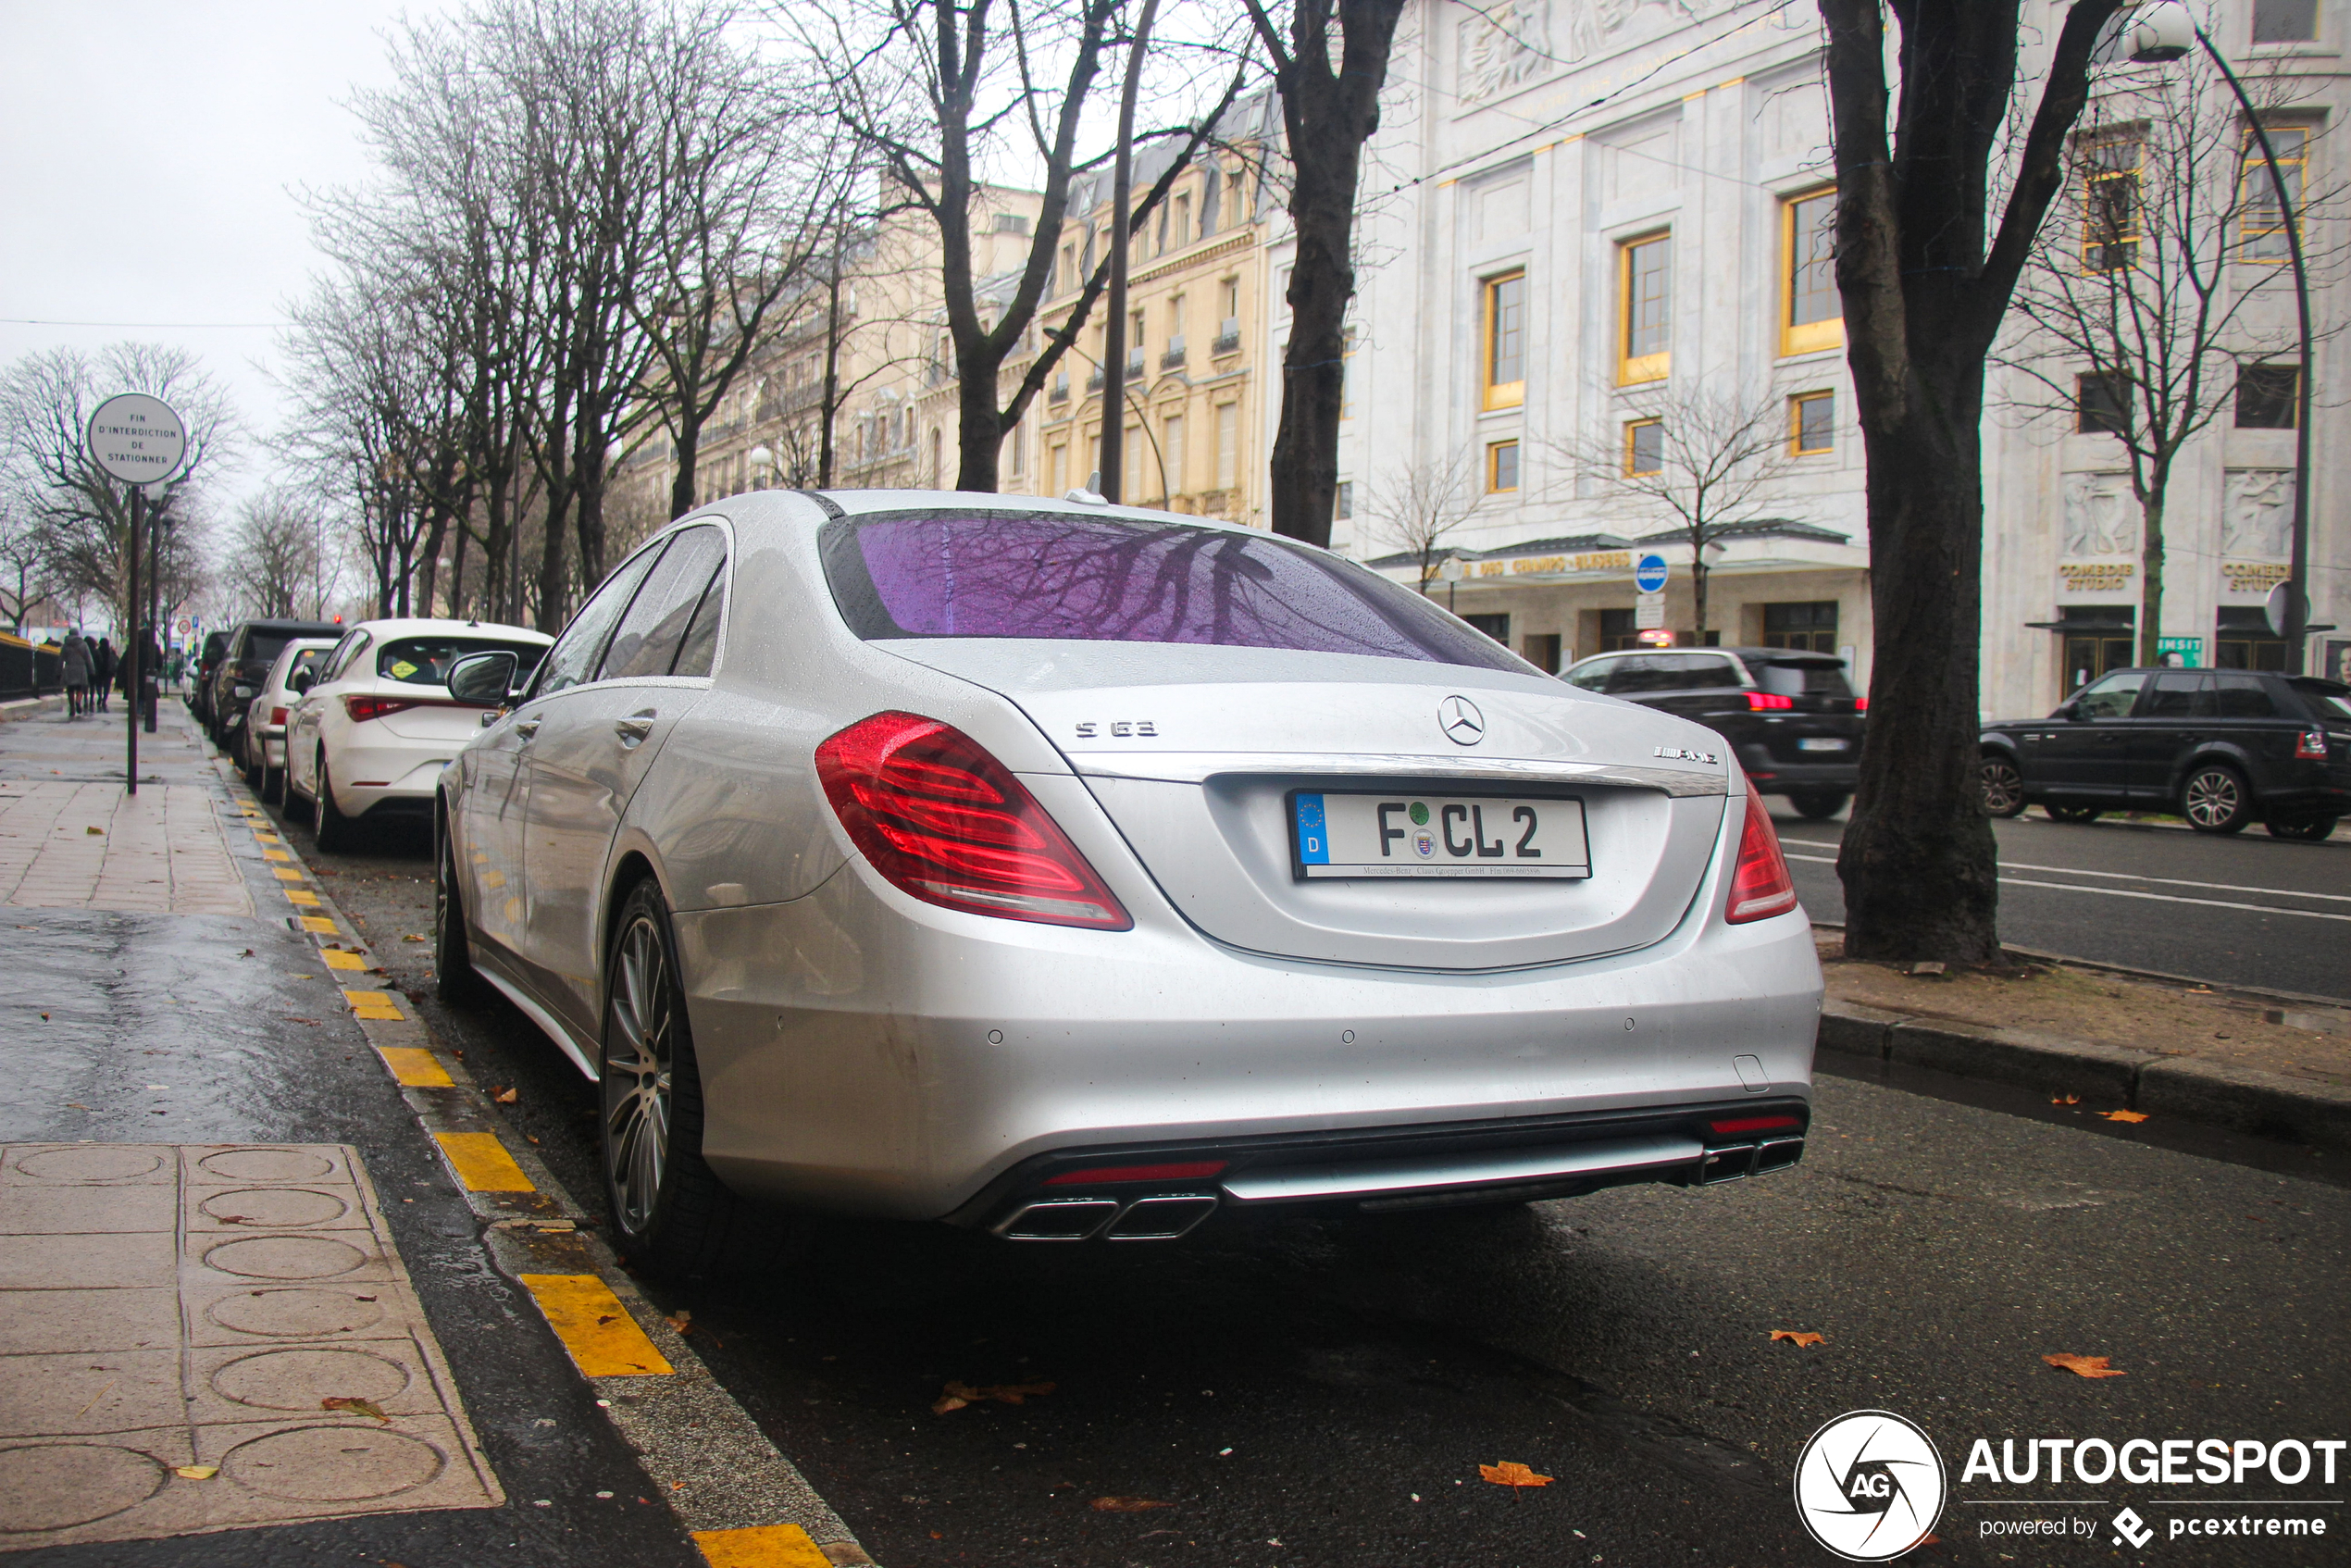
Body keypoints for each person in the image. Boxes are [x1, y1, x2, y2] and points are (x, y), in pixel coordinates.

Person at [60, 628, 92, 717]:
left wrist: (58, 671)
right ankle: (78, 701)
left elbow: (61, 659)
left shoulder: (66, 645)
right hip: (81, 668)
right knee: (80, 687)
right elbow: (89, 658)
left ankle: (72, 708)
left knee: (70, 689)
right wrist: (92, 670)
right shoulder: (84, 644)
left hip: (69, 668)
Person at [92, 637, 116, 712]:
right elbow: (114, 661)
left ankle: (100, 696)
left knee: (99, 685)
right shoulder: (111, 652)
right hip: (108, 671)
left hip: (99, 671)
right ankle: (104, 700)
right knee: (107, 686)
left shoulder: (97, 651)